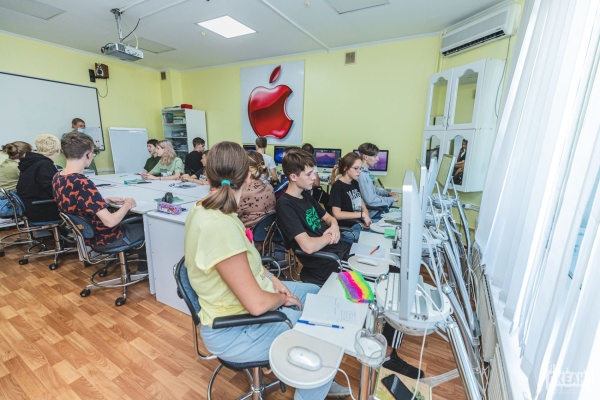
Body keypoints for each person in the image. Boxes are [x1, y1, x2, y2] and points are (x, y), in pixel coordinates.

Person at [184, 141, 350, 399]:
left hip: (247, 298)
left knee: (315, 293)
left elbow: (248, 259)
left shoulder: (207, 208)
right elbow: (257, 305)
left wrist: (272, 278)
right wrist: (282, 299)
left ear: (207, 174)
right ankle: (316, 380)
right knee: (317, 337)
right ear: (248, 177)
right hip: (235, 329)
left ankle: (318, 381)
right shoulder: (220, 225)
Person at [52, 133, 146, 273]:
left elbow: (76, 204)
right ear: (89, 154)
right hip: (106, 238)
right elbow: (110, 222)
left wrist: (104, 201)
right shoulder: (82, 182)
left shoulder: (58, 177)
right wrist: (128, 204)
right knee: (146, 225)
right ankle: (144, 270)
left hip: (88, 235)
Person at [275, 148, 351, 285]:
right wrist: (330, 236)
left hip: (337, 251)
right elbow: (308, 247)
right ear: (293, 177)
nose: (314, 178)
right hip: (327, 262)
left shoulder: (305, 195)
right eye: (309, 174)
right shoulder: (285, 205)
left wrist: (334, 226)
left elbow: (329, 218)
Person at [17, 135, 62, 223]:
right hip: (41, 209)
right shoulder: (44, 165)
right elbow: (53, 190)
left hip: (31, 206)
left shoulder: (32, 162)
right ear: (58, 150)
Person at [328, 152, 372, 243]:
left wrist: (366, 215)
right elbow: (337, 214)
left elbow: (361, 204)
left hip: (358, 224)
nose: (359, 171)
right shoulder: (338, 187)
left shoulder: (354, 183)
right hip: (348, 230)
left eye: (360, 168)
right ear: (345, 168)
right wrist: (361, 215)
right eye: (356, 168)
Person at [357, 143, 398, 220]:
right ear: (366, 157)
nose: (378, 159)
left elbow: (373, 190)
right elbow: (371, 201)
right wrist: (392, 199)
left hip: (376, 210)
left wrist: (387, 193)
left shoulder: (365, 172)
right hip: (373, 213)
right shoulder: (361, 175)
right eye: (375, 156)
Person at [237, 151, 276, 229]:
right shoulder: (270, 188)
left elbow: (230, 216)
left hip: (246, 235)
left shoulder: (244, 193)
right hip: (266, 234)